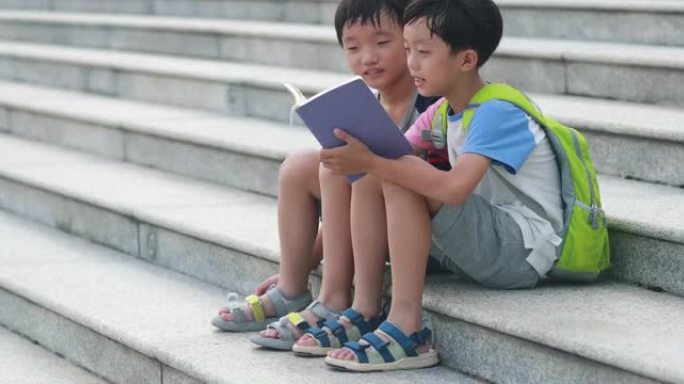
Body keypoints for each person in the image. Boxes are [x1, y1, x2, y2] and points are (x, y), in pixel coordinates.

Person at [320, 0, 563, 371]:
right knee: (383, 170)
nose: (412, 63)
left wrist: (372, 161)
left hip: (522, 251)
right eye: (406, 50)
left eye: (423, 52)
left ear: (466, 60)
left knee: (398, 170)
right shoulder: (443, 110)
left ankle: (408, 329)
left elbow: (454, 190)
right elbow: (388, 156)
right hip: (483, 240)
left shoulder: (498, 111)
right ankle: (365, 308)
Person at [212, 0, 442, 352]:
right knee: (300, 165)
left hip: (421, 238)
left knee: (354, 167)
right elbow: (346, 210)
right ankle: (291, 288)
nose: (368, 57)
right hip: (375, 227)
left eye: (382, 43)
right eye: (353, 47)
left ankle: (337, 298)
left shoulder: (429, 103)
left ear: (410, 41)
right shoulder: (370, 107)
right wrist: (306, 259)